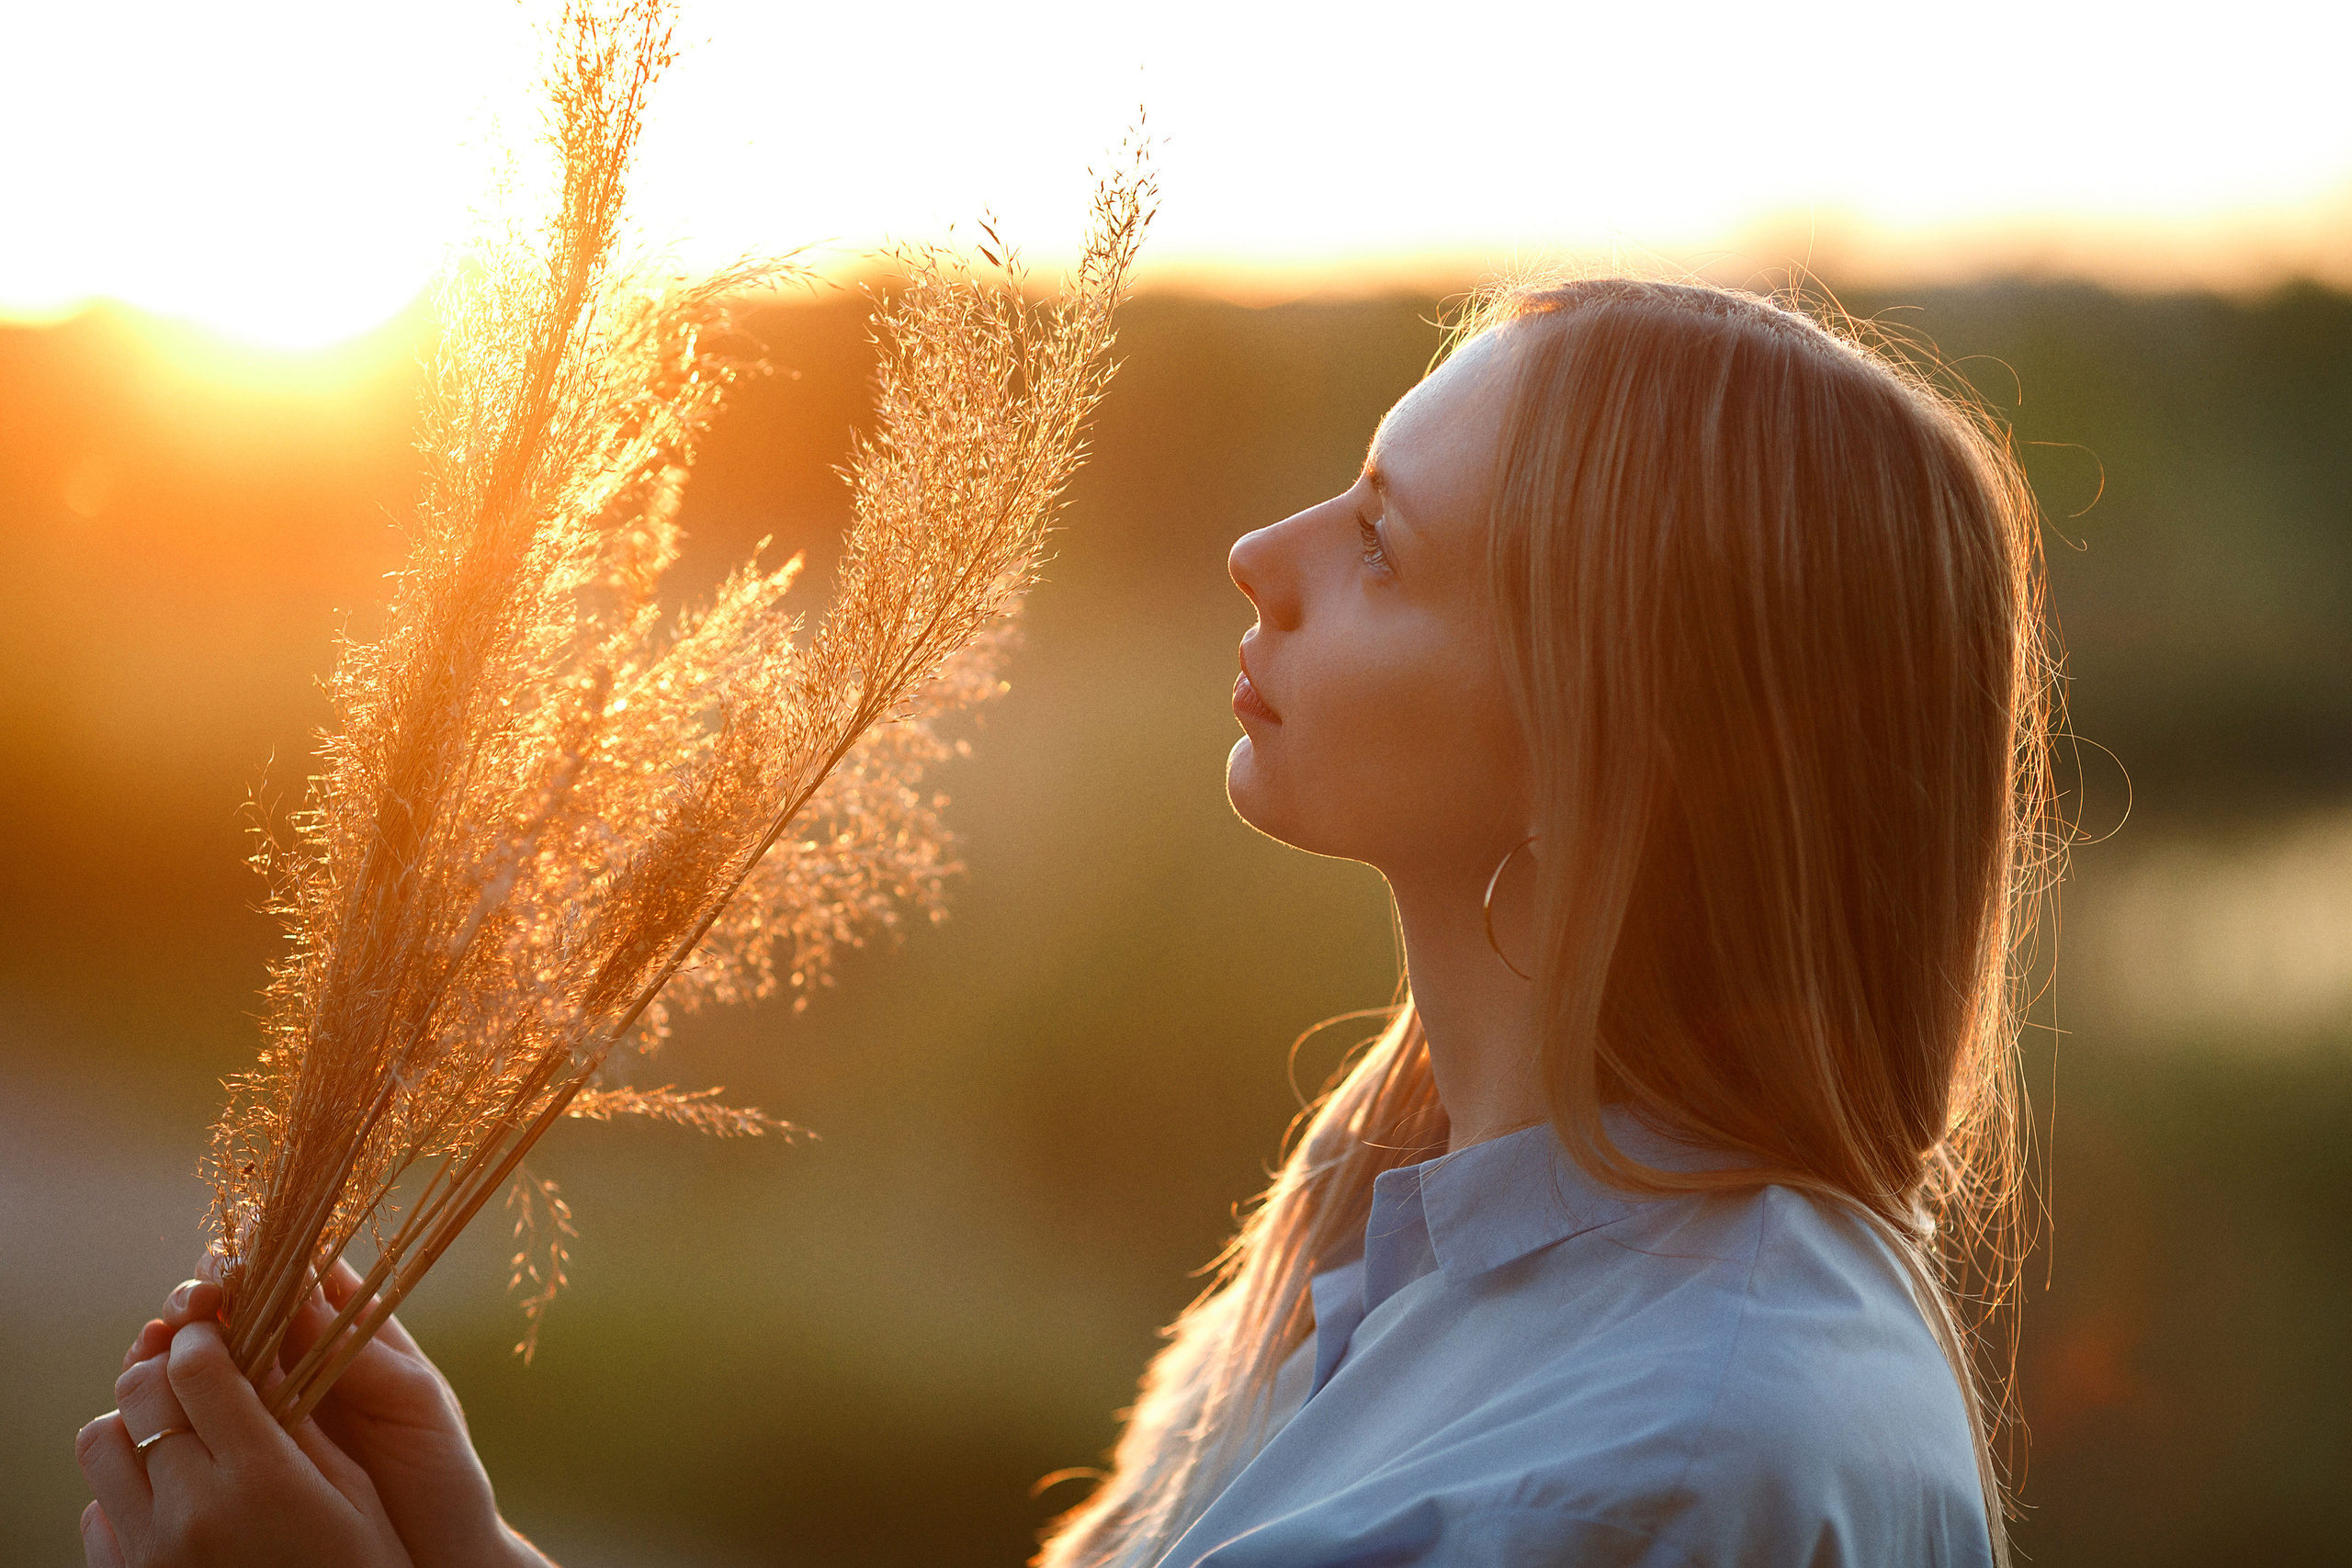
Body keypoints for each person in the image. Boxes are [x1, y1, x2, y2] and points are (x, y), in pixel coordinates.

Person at [78, 276, 2052, 1568]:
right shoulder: (1383, 1225)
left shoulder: (1685, 1458)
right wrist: (461, 1548)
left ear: (1617, 726)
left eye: (1381, 537)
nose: (1256, 558)